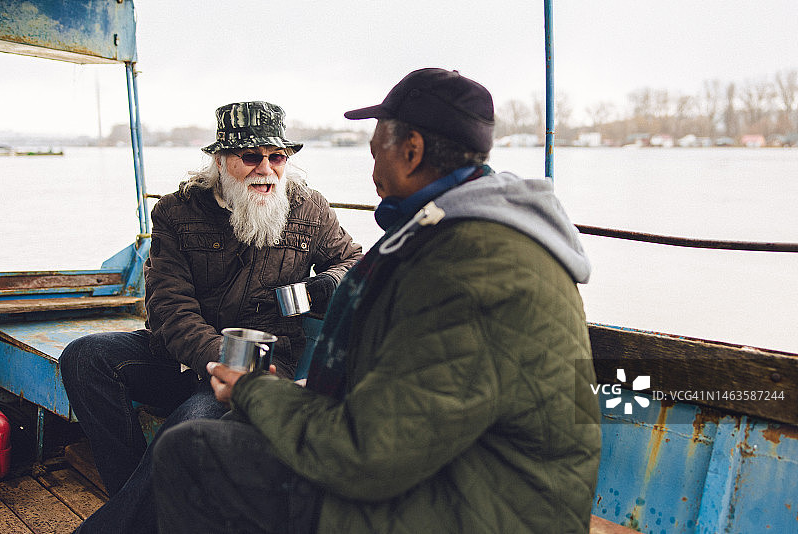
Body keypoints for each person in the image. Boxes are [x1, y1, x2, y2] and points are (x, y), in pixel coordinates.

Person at [153, 69, 601, 533]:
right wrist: (299, 391)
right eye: (250, 156)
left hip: (486, 508)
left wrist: (253, 390)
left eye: (374, 152)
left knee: (192, 450)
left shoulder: (472, 265)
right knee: (208, 428)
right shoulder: (457, 238)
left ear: (411, 151)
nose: (372, 174)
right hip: (449, 471)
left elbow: (367, 456)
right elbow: (416, 391)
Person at [59, 101, 362, 533]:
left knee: (188, 427)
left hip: (260, 367)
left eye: (277, 157)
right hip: (179, 356)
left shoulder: (309, 209)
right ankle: (134, 503)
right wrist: (221, 358)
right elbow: (170, 307)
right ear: (220, 161)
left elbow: (355, 262)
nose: (266, 169)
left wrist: (323, 285)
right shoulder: (177, 211)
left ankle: (126, 519)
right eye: (250, 156)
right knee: (84, 356)